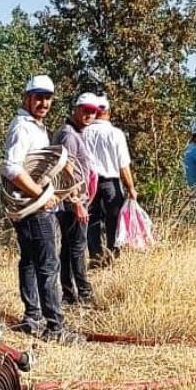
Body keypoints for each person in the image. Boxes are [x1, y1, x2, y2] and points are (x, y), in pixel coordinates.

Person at [1, 75, 82, 343]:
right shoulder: (23, 127)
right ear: (27, 98)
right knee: (48, 264)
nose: (44, 102)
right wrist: (41, 195)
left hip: (29, 207)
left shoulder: (35, 126)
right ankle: (55, 328)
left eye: (47, 97)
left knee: (30, 261)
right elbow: (11, 168)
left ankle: (33, 317)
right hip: (34, 207)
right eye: (39, 97)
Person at [52, 93, 99, 305]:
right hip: (71, 202)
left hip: (73, 200)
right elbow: (65, 169)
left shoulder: (73, 132)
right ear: (76, 109)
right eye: (86, 110)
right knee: (78, 247)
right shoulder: (69, 135)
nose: (89, 114)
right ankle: (83, 292)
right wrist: (77, 202)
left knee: (71, 247)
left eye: (93, 111)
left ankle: (69, 293)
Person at [82, 95, 136, 264]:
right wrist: (131, 187)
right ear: (108, 112)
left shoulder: (84, 132)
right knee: (114, 220)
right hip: (111, 182)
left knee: (92, 221)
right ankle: (113, 255)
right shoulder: (116, 133)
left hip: (90, 182)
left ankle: (95, 257)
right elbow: (123, 165)